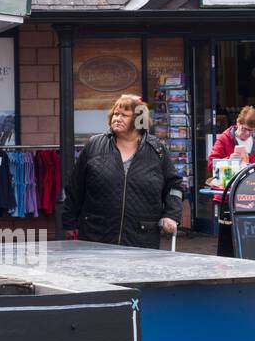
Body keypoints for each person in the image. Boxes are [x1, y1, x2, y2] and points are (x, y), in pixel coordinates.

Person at [62, 94, 181, 248]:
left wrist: (171, 215)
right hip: (96, 236)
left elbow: (174, 187)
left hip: (141, 240)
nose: (117, 118)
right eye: (116, 114)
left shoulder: (157, 150)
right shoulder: (94, 145)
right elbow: (75, 187)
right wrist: (69, 222)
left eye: (124, 115)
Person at [207, 106, 255, 181]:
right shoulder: (224, 139)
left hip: (253, 187)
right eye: (244, 129)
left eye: (252, 130)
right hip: (230, 188)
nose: (247, 133)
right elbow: (211, 165)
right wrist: (229, 161)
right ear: (238, 123)